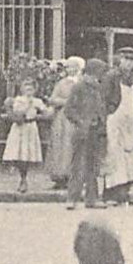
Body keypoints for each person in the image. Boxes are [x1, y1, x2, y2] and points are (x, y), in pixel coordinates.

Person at [63, 57, 112, 210]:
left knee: (93, 167)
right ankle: (72, 198)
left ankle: (92, 198)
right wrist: (81, 122)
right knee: (78, 166)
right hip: (82, 132)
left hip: (97, 132)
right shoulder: (79, 87)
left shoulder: (99, 88)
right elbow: (69, 109)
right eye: (100, 72)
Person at [101, 47, 133, 204]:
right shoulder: (111, 76)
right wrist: (109, 113)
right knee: (113, 155)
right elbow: (104, 98)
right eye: (126, 59)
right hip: (114, 119)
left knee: (129, 155)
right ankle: (110, 194)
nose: (128, 63)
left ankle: (124, 194)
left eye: (132, 60)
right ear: (119, 59)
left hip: (129, 120)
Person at [1, 78, 49, 193]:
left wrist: (42, 111)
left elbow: (46, 112)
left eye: (31, 89)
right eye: (26, 89)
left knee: (28, 152)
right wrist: (27, 105)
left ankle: (24, 178)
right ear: (22, 90)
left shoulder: (37, 101)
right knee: (18, 151)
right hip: (19, 128)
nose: (29, 92)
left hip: (31, 127)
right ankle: (21, 177)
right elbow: (18, 113)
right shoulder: (18, 100)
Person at [44, 56, 83, 187]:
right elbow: (52, 99)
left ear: (78, 68)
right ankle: (60, 176)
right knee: (60, 145)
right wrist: (65, 102)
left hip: (77, 117)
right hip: (62, 117)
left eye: (73, 67)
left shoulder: (82, 82)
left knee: (73, 146)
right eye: (68, 67)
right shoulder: (61, 83)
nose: (70, 69)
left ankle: (74, 177)